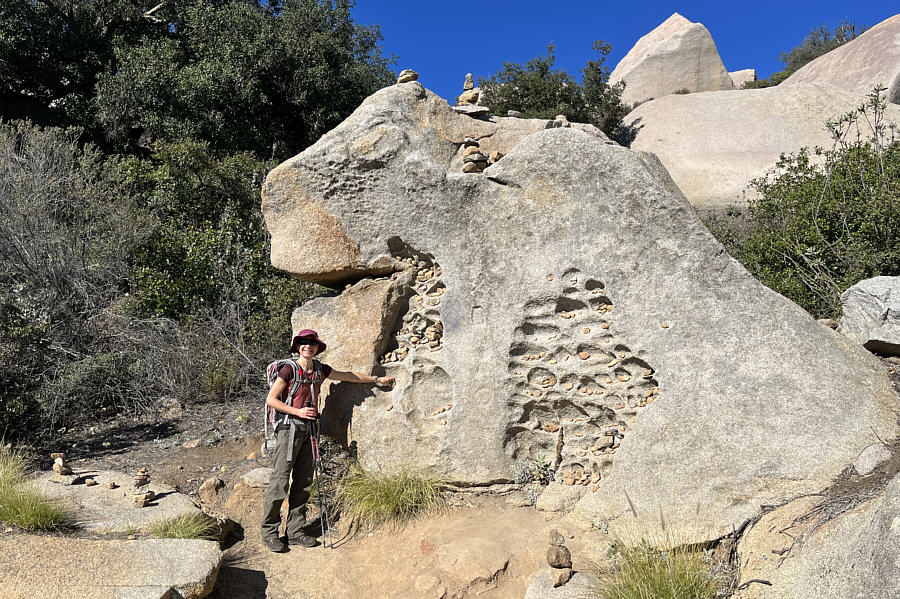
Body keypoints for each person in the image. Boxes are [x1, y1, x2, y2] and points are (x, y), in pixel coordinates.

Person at [261, 328, 395, 552]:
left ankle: (295, 532)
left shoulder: (320, 369)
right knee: (280, 481)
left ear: (317, 347)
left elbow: (347, 376)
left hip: (310, 429)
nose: (308, 346)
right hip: (289, 429)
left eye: (312, 343)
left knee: (303, 482)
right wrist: (298, 412)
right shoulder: (288, 370)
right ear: (298, 346)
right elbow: (271, 400)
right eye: (304, 343)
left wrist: (376, 379)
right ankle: (270, 532)